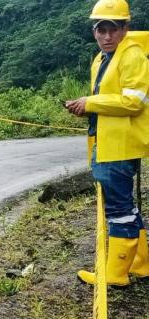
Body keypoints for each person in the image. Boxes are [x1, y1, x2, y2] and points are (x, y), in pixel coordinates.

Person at [66, 0, 149, 286]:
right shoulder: (102, 59)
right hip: (107, 142)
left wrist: (90, 102)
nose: (107, 36)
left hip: (121, 145)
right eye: (101, 29)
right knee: (124, 205)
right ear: (94, 31)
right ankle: (139, 264)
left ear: (126, 28)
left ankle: (115, 275)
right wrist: (87, 108)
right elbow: (107, 102)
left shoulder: (132, 56)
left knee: (118, 209)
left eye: (113, 29)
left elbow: (133, 101)